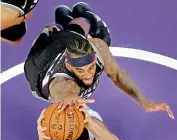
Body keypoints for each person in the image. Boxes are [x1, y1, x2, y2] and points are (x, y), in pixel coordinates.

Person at [24, 2, 174, 119]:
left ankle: (75, 19)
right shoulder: (63, 84)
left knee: (91, 32)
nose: (88, 75)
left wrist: (145, 103)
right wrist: (69, 99)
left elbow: (117, 75)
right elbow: (62, 92)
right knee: (52, 30)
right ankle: (60, 24)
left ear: (94, 56)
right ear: (69, 66)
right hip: (38, 62)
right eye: (80, 71)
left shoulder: (97, 48)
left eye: (91, 68)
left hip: (67, 42)